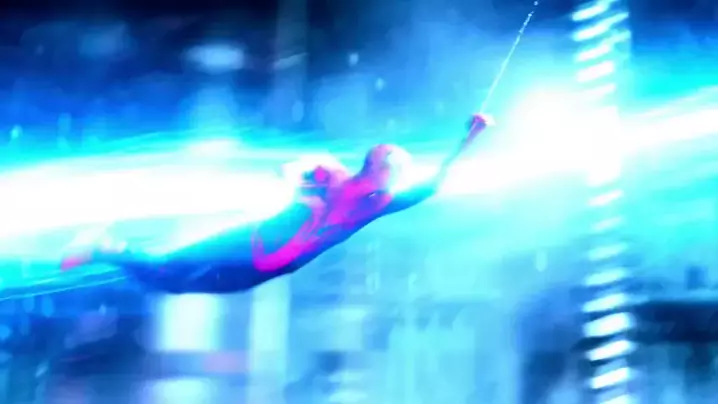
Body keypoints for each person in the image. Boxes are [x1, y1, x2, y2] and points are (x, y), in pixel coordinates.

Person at [61, 113, 493, 293]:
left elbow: (434, 184)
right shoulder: (330, 175)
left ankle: (108, 252)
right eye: (390, 169)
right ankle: (102, 248)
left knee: (176, 284)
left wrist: (469, 137)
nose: (393, 178)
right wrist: (302, 191)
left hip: (271, 265)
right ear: (375, 166)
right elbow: (287, 168)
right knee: (168, 266)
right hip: (252, 242)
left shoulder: (380, 202)